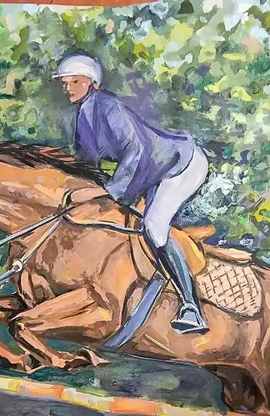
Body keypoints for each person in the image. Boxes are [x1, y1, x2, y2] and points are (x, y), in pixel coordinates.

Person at [54, 53, 210, 335]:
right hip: (152, 170)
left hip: (180, 165)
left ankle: (191, 307)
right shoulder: (83, 115)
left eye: (75, 82)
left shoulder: (108, 107)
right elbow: (87, 162)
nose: (68, 88)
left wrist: (110, 192)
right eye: (65, 83)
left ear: (92, 83)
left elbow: (135, 150)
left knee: (154, 227)